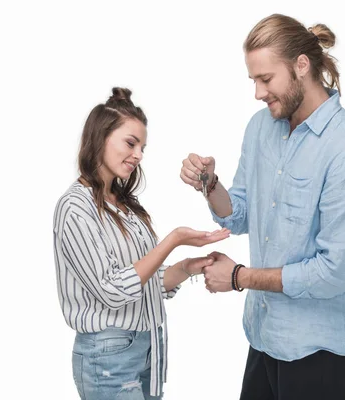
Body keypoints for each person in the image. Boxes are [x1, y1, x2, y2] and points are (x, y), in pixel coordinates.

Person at [180, 14, 345, 400]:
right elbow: (239, 214)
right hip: (264, 335)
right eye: (253, 80)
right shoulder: (260, 128)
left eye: (266, 79)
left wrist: (239, 277)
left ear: (301, 66)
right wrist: (209, 183)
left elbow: (333, 272)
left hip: (316, 352)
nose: (257, 92)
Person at [54, 87, 229, 399]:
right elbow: (111, 289)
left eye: (143, 147)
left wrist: (189, 266)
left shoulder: (125, 205)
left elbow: (147, 281)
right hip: (108, 357)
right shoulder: (75, 208)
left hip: (148, 349)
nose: (138, 155)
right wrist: (173, 240)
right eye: (131, 143)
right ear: (101, 137)